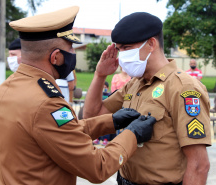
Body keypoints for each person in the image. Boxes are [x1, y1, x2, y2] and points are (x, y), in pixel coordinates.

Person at [0, 7, 156, 185]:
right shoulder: (45, 103)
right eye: (70, 49)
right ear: (56, 57)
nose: (73, 54)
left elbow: (57, 133)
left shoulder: (6, 88)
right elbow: (97, 167)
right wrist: (132, 134)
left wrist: (110, 122)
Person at [83, 12, 211, 185]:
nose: (121, 56)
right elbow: (92, 116)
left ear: (151, 44)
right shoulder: (134, 84)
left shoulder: (183, 87)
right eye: (119, 49)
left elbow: (198, 165)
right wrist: (99, 75)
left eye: (126, 48)